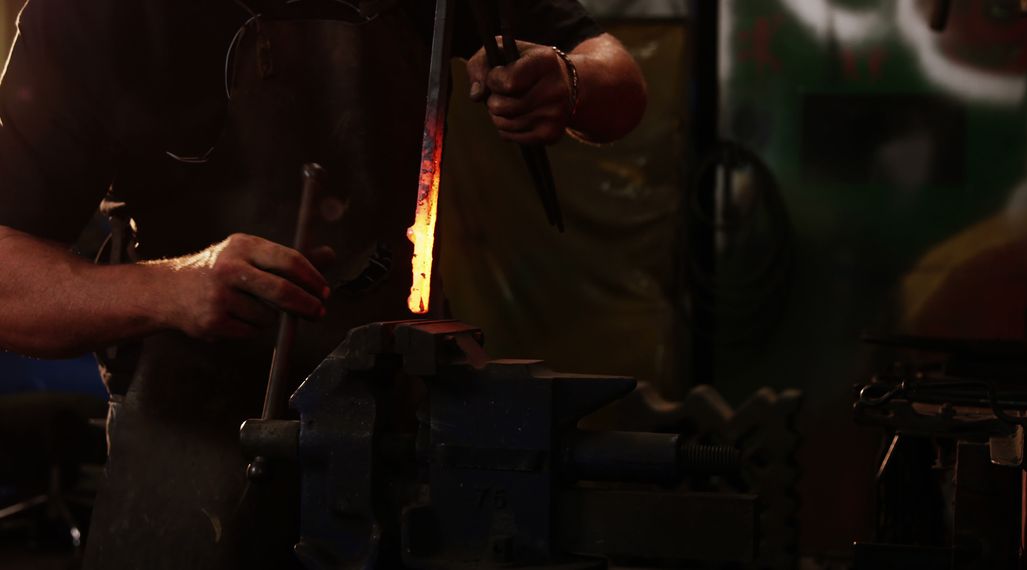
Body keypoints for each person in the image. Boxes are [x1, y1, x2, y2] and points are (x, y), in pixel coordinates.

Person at [0, 0, 646, 568]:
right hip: (189, 420)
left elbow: (617, 82)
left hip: (400, 397)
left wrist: (570, 78)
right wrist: (169, 288)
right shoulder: (89, 13)